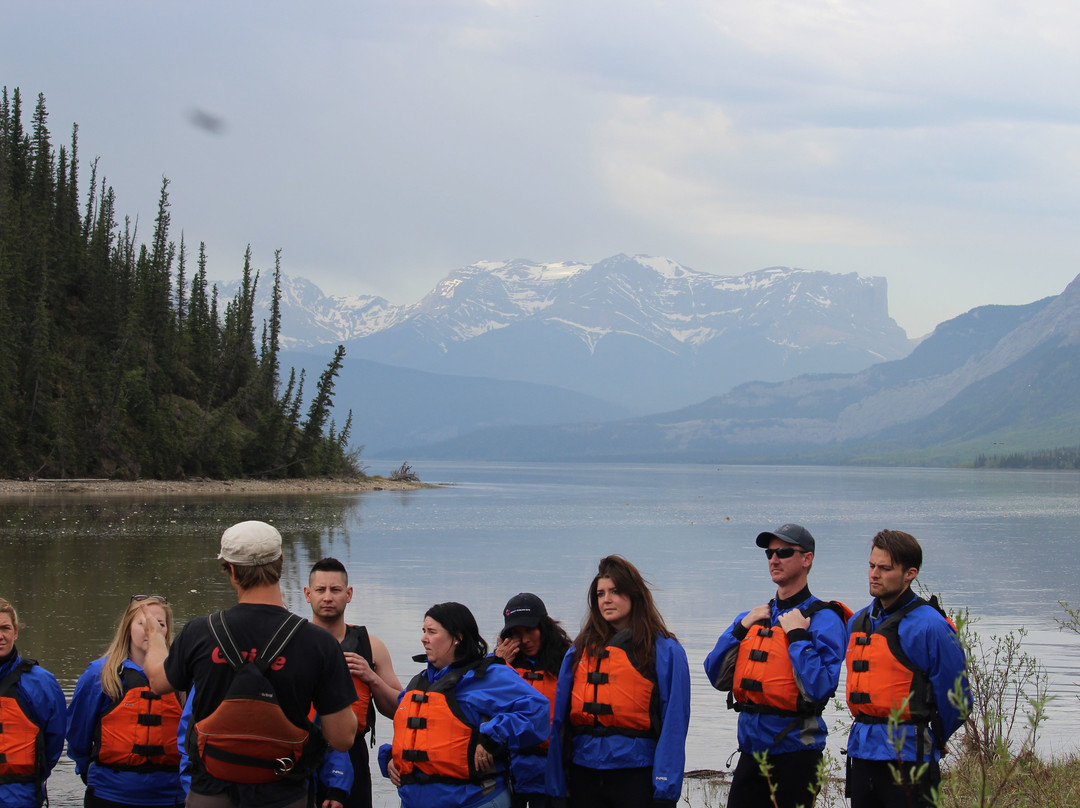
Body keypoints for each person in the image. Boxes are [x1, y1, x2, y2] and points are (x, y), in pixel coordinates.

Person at [140, 520, 358, 808]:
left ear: (230, 569)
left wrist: (155, 636)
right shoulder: (318, 642)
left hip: (211, 791)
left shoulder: (199, 632)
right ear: (281, 561)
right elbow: (342, 738)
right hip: (284, 792)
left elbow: (157, 681)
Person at [703, 524, 849, 808]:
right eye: (770, 553)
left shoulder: (824, 619)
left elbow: (820, 687)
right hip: (751, 753)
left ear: (807, 559)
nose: (774, 559)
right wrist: (739, 629)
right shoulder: (755, 617)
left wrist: (797, 637)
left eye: (783, 552)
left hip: (797, 755)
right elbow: (714, 674)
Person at [546, 555, 690, 808]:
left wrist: (665, 791)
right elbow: (559, 722)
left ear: (634, 595)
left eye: (615, 591)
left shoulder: (665, 651)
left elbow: (674, 725)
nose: (607, 600)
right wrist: (556, 787)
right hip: (583, 773)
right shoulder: (579, 651)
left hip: (635, 774)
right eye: (600, 594)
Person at [380, 601, 550, 808]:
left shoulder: (489, 676)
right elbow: (408, 733)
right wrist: (392, 758)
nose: (424, 638)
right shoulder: (418, 684)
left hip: (473, 800)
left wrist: (492, 737)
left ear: (458, 637)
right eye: (424, 631)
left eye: (432, 632)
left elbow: (538, 711)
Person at [845, 529, 970, 808]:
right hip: (863, 755)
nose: (874, 574)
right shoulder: (857, 622)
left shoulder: (931, 626)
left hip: (911, 760)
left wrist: (936, 737)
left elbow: (958, 700)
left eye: (885, 568)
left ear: (910, 573)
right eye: (871, 565)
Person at [67, 594, 186, 807]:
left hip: (169, 796)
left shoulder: (182, 678)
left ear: (167, 630)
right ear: (128, 627)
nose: (152, 630)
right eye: (143, 623)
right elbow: (78, 736)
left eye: (160, 624)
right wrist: (88, 773)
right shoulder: (100, 675)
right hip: (109, 794)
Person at [304, 557, 403, 808]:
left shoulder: (371, 646)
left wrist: (371, 678)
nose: (327, 597)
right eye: (320, 590)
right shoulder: (293, 642)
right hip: (302, 750)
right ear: (307, 594)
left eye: (335, 590)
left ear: (349, 594)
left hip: (353, 750)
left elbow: (401, 711)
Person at [492, 593, 572, 808]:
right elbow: (487, 705)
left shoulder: (569, 661)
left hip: (556, 771)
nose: (525, 640)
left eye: (530, 630)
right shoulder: (498, 666)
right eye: (517, 634)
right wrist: (498, 666)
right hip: (512, 771)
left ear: (544, 627)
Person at [0, 597, 67, 808]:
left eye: (5, 628)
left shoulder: (40, 682)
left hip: (20, 797)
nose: (0, 636)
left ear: (16, 632)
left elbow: (54, 741)